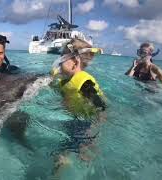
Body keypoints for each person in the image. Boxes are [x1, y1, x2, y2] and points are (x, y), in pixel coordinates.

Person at [50, 38, 107, 177]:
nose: (59, 61)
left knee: (71, 153)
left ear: (75, 62)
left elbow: (100, 106)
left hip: (86, 122)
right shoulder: (65, 80)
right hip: (74, 119)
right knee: (69, 149)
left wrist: (95, 128)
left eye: (62, 58)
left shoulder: (84, 81)